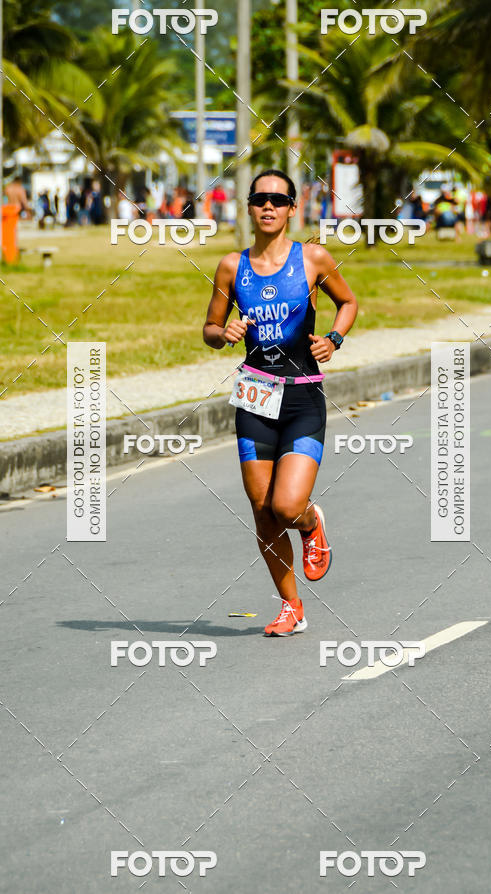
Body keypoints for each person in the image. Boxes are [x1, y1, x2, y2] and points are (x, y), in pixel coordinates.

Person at [203, 169, 357, 637]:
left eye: (278, 199)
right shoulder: (232, 266)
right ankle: (291, 606)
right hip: (254, 396)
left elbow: (348, 303)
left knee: (287, 506)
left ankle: (311, 522)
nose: (268, 206)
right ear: (249, 207)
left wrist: (334, 338)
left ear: (293, 208)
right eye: (259, 199)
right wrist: (223, 333)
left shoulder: (312, 258)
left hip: (303, 395)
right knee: (261, 508)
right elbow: (210, 329)